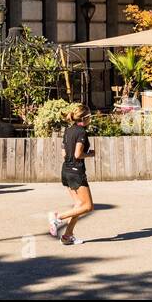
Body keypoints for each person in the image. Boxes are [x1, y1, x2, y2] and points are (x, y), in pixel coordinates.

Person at [48, 105, 94, 245]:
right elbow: (77, 154)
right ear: (85, 118)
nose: (91, 119)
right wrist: (90, 154)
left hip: (66, 171)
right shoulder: (81, 132)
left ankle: (67, 236)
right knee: (88, 206)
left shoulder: (68, 131)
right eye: (90, 116)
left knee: (79, 205)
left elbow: (63, 153)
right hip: (76, 172)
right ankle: (57, 218)